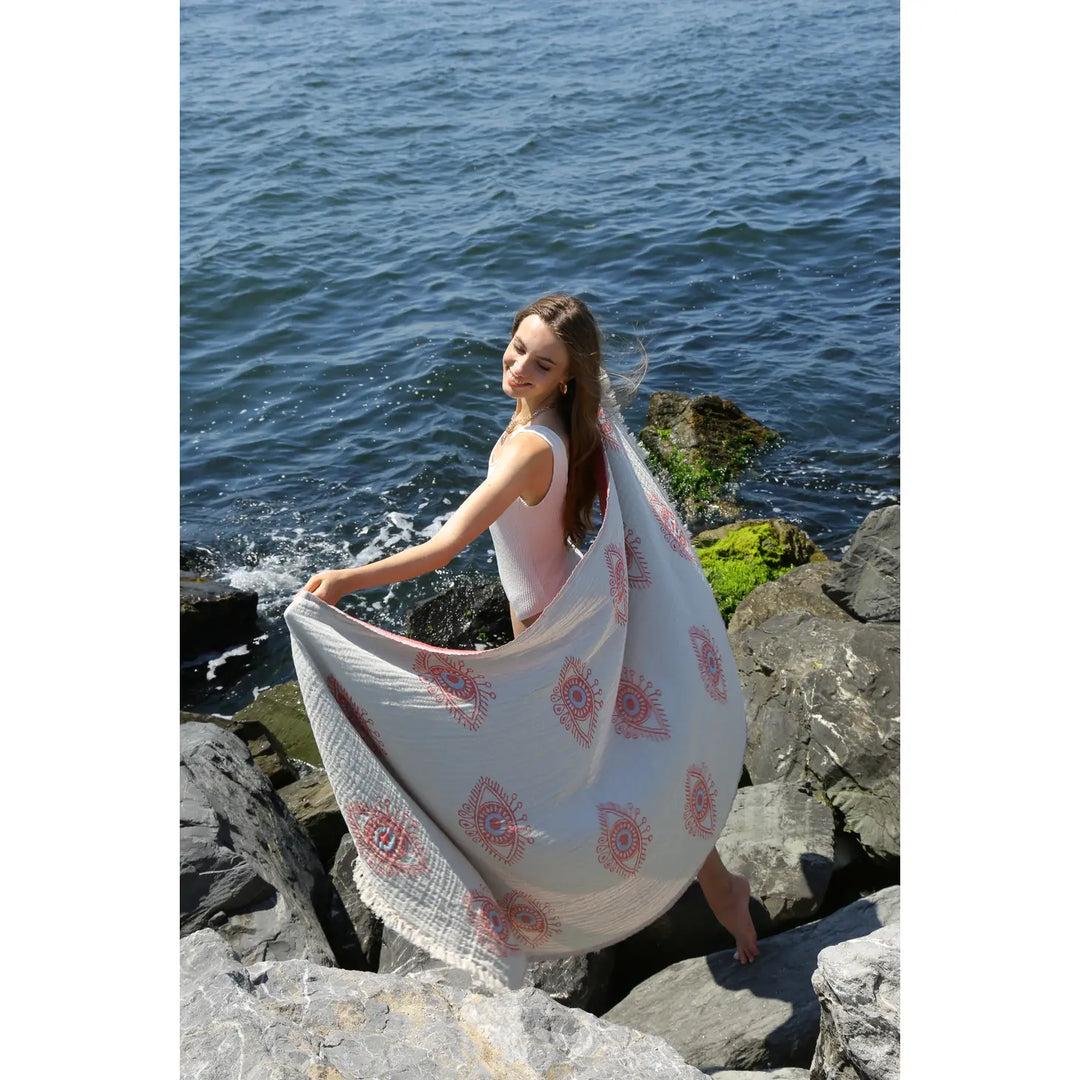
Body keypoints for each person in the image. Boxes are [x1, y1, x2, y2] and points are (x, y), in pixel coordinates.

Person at [302, 293, 760, 964]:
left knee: (546, 785)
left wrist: (346, 580)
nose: (517, 367)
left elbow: (447, 545)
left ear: (568, 377)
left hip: (556, 638)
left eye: (539, 365)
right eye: (517, 349)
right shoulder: (549, 422)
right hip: (559, 620)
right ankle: (720, 888)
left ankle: (547, 913)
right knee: (618, 768)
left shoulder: (532, 446)